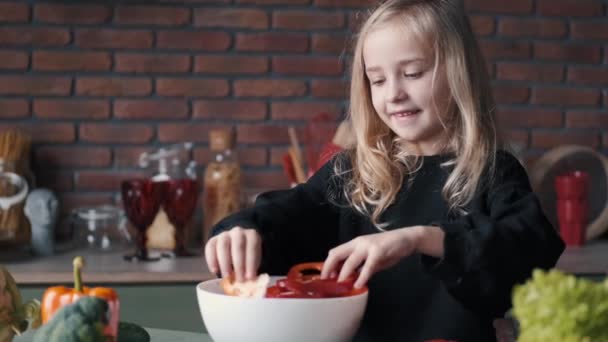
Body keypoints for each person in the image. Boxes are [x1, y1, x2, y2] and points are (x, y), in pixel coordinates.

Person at [204, 0, 565, 340]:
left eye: (412, 73)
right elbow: (286, 215)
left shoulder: (494, 172)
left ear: (459, 73)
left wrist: (419, 238)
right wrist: (242, 228)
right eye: (377, 80)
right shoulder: (351, 172)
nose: (393, 93)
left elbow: (528, 249)